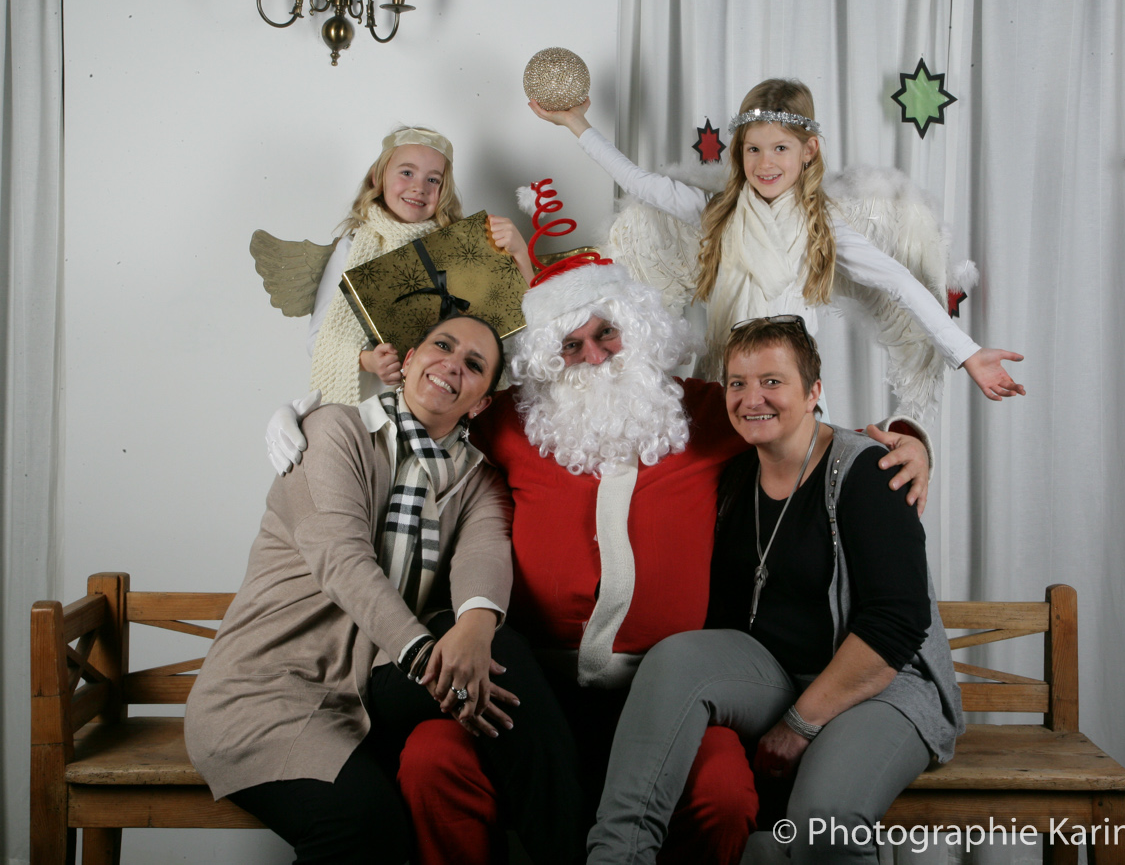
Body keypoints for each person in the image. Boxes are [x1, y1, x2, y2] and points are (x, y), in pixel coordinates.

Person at [266, 262, 933, 865]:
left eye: (606, 333)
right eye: (570, 343)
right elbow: (428, 405)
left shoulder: (706, 410)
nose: (592, 355)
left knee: (725, 791)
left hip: (669, 698)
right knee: (431, 764)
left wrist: (906, 441)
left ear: (637, 331)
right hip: (531, 695)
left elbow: (798, 427)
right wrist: (315, 411)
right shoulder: (514, 420)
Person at [186, 315, 585, 865]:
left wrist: (475, 630)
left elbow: (484, 555)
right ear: (411, 358)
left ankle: (580, 856)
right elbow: (341, 559)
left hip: (368, 684)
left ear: (481, 404)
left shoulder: (477, 478)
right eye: (442, 346)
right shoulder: (335, 430)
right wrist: (429, 660)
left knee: (499, 658)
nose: (451, 365)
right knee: (366, 828)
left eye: (473, 365)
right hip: (270, 693)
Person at [585, 316, 965, 864]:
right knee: (674, 659)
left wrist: (798, 724)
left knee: (824, 825)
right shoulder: (735, 475)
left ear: (813, 392)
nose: (751, 398)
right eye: (737, 383)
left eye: (772, 381)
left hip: (879, 686)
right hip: (775, 674)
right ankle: (617, 856)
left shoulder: (869, 472)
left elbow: (895, 627)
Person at [529, 78, 1025, 420]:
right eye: (754, 149)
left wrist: (967, 353)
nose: (765, 163)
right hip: (725, 382)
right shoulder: (713, 211)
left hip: (790, 390)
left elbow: (898, 281)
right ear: (740, 152)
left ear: (808, 151)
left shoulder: (823, 227)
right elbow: (637, 180)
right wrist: (576, 123)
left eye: (780, 148)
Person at [307, 126, 533, 406]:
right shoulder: (352, 249)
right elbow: (318, 340)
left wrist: (520, 254)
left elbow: (517, 329)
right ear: (378, 177)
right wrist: (369, 361)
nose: (419, 187)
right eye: (406, 172)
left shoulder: (462, 249)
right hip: (370, 408)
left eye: (433, 179)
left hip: (444, 405)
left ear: (444, 189)